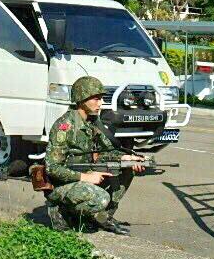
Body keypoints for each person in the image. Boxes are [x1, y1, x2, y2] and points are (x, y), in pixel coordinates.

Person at [44, 76, 145, 235]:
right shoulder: (65, 126)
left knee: (126, 169)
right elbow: (53, 168)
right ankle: (60, 211)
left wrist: (125, 158)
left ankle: (103, 217)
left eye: (102, 99)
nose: (101, 103)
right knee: (101, 198)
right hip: (61, 185)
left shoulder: (93, 122)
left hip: (86, 174)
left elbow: (108, 151)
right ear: (82, 98)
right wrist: (85, 177)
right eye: (96, 99)